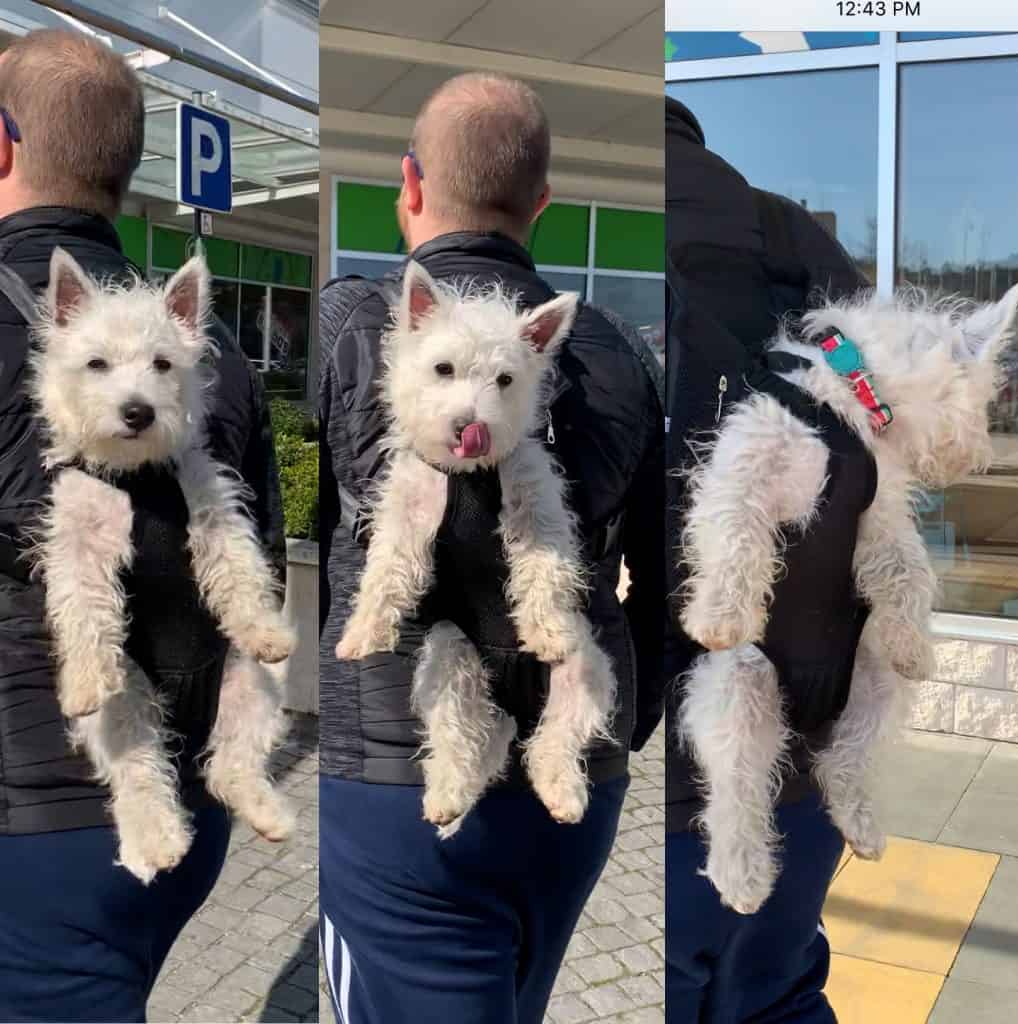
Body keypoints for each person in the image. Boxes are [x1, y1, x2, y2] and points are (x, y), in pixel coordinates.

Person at [319, 73, 664, 1024]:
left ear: (410, 184)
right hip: (577, 787)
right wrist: (619, 727)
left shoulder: (351, 320)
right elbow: (665, 576)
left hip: (389, 775)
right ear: (542, 204)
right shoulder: (626, 354)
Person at [0, 30, 285, 1023]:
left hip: (27, 819)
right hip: (183, 806)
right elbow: (258, 574)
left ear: (2, 145)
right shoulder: (216, 364)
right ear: (127, 170)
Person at [664, 95, 869, 1023]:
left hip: (674, 759)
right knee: (777, 984)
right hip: (819, 730)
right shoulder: (790, 241)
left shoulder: (641, 252)